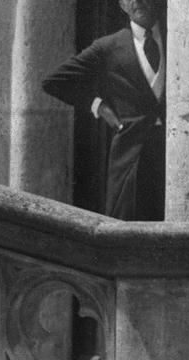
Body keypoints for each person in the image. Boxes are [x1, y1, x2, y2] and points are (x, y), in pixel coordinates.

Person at [42, 0, 166, 221]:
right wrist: (99, 106)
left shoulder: (176, 37)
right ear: (121, 5)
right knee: (127, 229)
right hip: (130, 157)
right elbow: (54, 81)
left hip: (171, 153)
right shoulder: (108, 46)